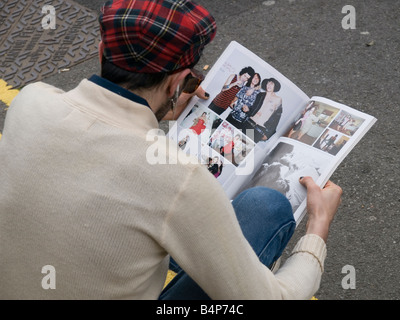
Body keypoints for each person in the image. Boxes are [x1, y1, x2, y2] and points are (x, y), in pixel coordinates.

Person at [0, 0, 342, 300]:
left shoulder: (31, 102)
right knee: (268, 208)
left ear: (102, 52)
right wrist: (318, 227)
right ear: (178, 83)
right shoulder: (180, 181)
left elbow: (106, 161)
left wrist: (159, 112)